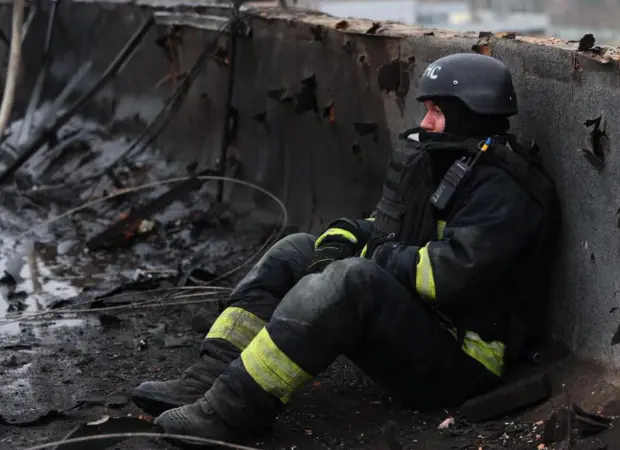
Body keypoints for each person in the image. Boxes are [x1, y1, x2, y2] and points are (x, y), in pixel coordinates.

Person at [132, 52, 561, 446]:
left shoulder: (504, 189)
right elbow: (393, 228)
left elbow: (451, 274)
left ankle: (230, 413)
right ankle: (208, 378)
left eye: (436, 112)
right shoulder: (449, 163)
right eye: (427, 110)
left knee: (353, 280)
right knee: (295, 249)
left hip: (460, 364)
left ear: (470, 115)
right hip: (424, 326)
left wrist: (369, 257)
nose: (425, 123)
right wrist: (342, 237)